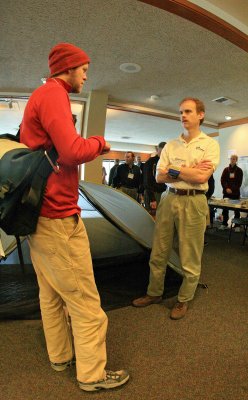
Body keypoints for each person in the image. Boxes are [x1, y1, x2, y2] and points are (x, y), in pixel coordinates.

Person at [20, 42, 129, 392]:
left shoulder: (42, 96)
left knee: (51, 295)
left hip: (39, 218)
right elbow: (71, 151)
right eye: (83, 68)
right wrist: (99, 142)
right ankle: (93, 376)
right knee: (85, 303)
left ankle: (60, 357)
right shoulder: (54, 95)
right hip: (57, 217)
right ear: (67, 67)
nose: (86, 73)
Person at [133, 97, 220, 320]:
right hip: (168, 199)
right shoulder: (171, 145)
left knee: (190, 254)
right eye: (181, 112)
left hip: (194, 201)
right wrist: (184, 170)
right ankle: (154, 293)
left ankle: (183, 299)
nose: (183, 116)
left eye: (188, 111)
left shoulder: (210, 144)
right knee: (159, 251)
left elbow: (202, 176)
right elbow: (159, 176)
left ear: (200, 114)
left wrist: (173, 169)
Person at [219, 155, 243, 231]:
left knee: (237, 210)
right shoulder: (226, 170)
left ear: (236, 160)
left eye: (234, 159)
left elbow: (239, 183)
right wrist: (226, 188)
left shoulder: (239, 170)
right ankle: (224, 224)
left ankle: (237, 226)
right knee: (225, 209)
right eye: (231, 159)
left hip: (235, 193)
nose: (232, 160)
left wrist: (232, 189)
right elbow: (223, 180)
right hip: (226, 193)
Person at [143, 142, 167, 214]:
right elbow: (147, 182)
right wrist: (152, 199)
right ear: (158, 150)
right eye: (162, 151)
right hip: (153, 193)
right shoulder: (150, 162)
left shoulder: (166, 162)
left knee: (163, 216)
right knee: (153, 218)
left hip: (164, 193)